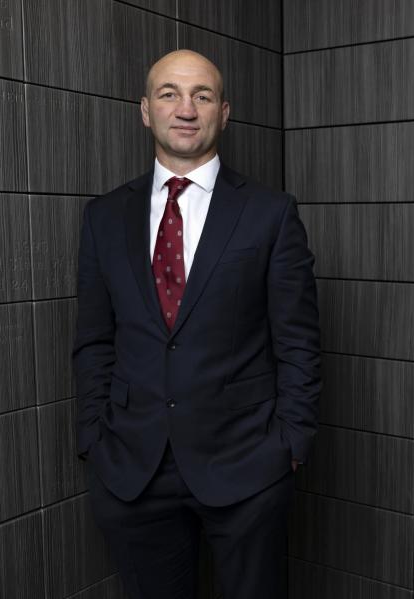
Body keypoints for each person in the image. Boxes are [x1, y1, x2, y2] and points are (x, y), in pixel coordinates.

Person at [72, 49, 320, 599]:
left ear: (224, 112)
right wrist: (94, 437)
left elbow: (299, 342)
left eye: (202, 95)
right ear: (145, 110)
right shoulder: (103, 216)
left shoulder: (269, 213)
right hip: (132, 471)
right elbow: (94, 340)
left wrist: (290, 447)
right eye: (169, 94)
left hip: (247, 468)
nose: (186, 108)